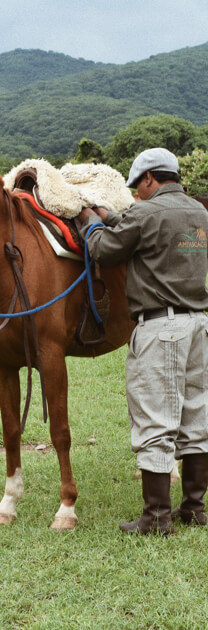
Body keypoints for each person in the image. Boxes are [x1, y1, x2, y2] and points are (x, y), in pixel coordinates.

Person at [77, 148, 208, 535]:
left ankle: (155, 517)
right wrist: (116, 219)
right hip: (199, 325)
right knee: (196, 415)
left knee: (155, 418)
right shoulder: (199, 213)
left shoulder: (146, 213)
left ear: (150, 178)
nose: (136, 193)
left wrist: (90, 223)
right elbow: (154, 235)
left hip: (160, 327)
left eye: (138, 186)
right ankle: (195, 508)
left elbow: (104, 249)